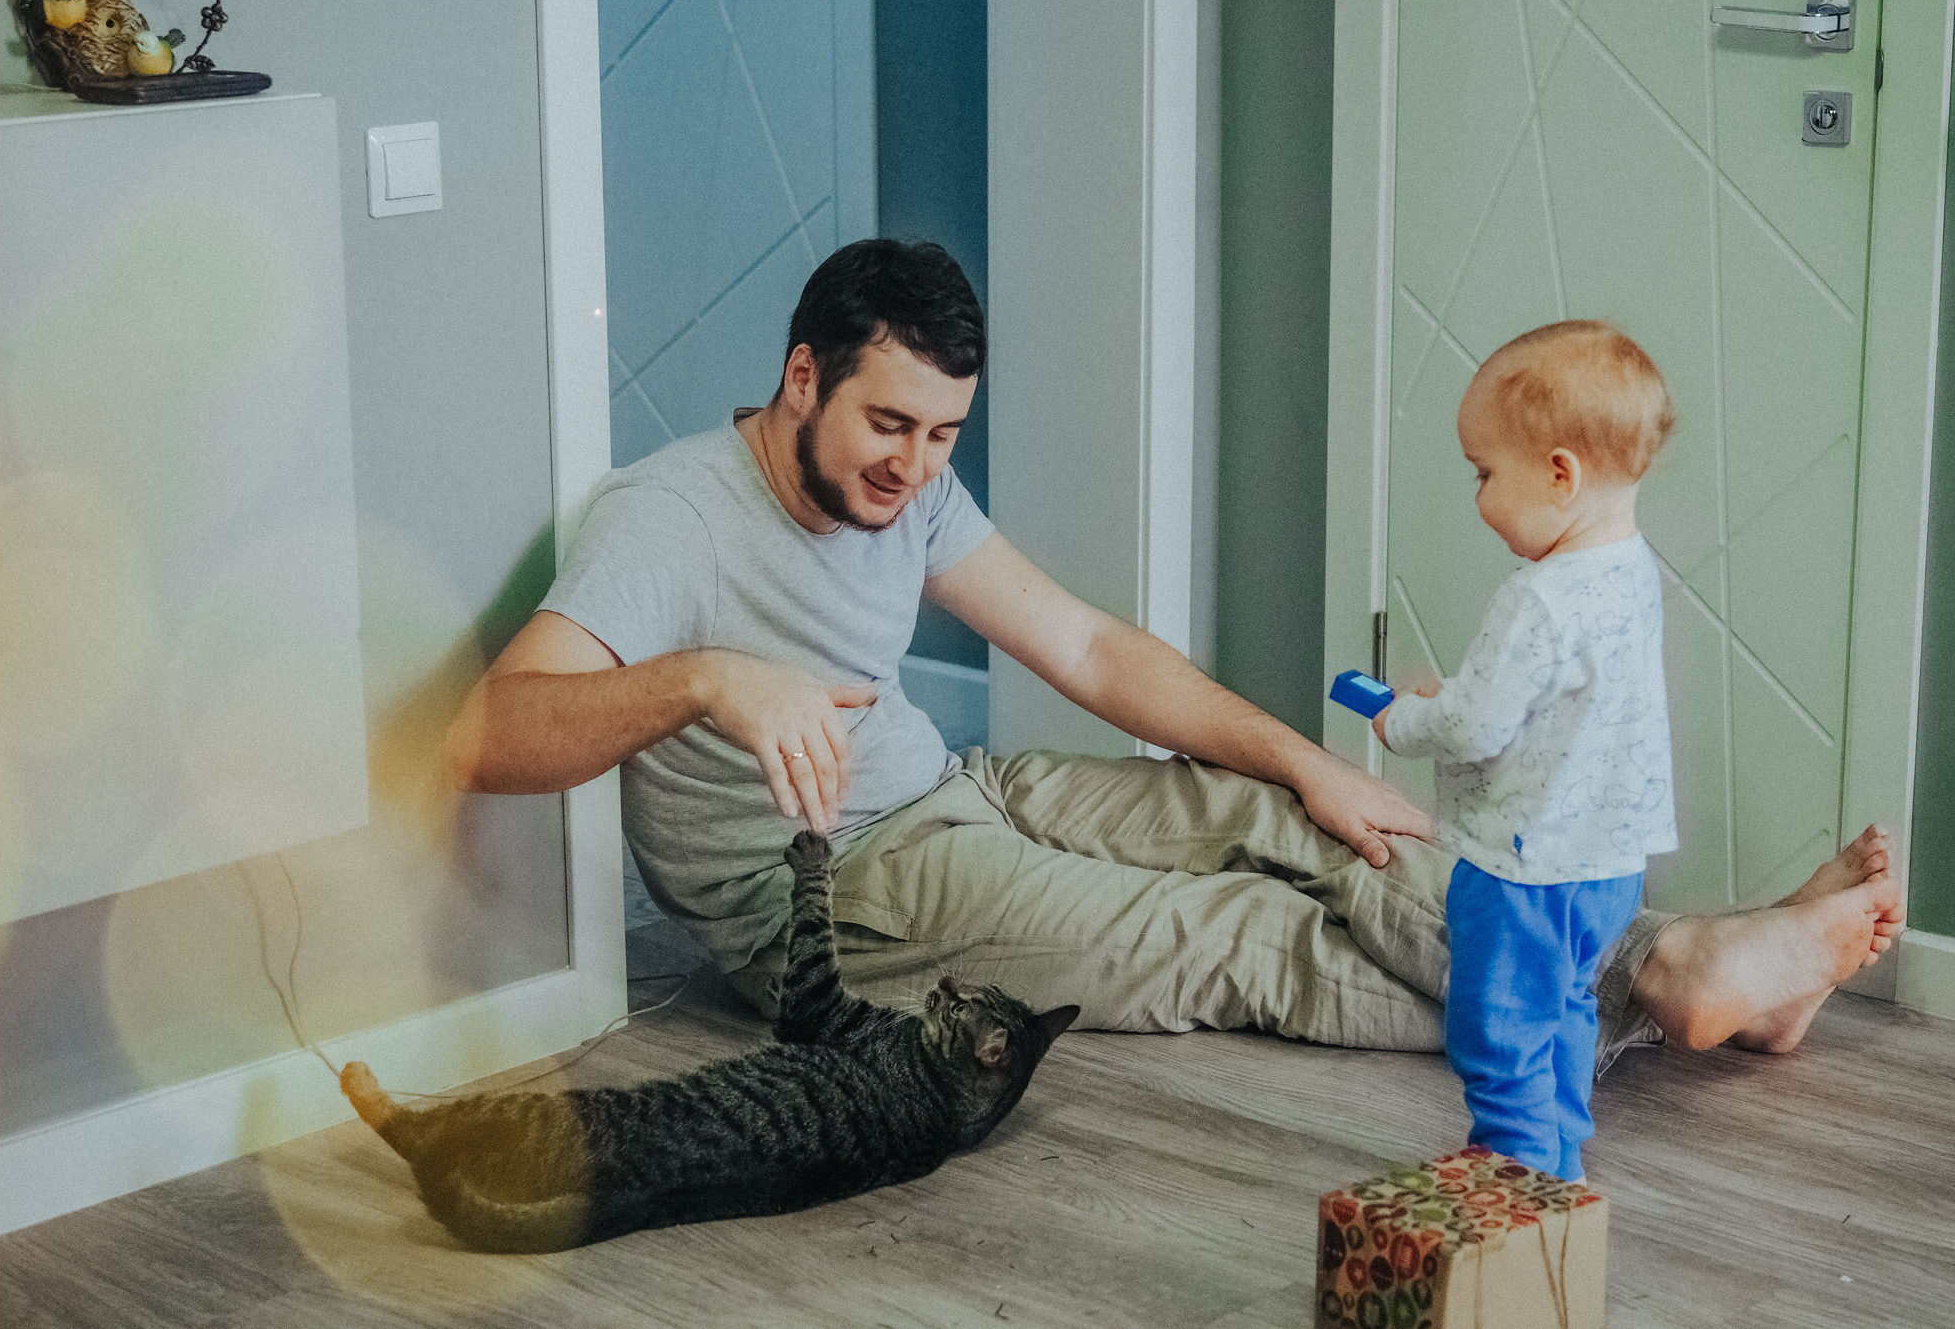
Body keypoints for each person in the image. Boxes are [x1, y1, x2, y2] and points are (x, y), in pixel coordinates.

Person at [447, 239, 1904, 1076]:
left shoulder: (912, 480)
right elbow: (493, 732)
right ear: (800, 377)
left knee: (1300, 825)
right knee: (1239, 935)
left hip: (960, 785)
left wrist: (1302, 760)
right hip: (829, 893)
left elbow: (1078, 641)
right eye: (888, 427)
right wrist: (705, 679)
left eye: (944, 433)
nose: (914, 467)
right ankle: (1675, 975)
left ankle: (1709, 981)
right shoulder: (670, 519)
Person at [1372, 321, 1674, 1181]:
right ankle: (1562, 1157)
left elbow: (1475, 726)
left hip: (1524, 867)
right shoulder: (1631, 570)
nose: (1477, 495)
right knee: (1566, 1007)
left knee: (1496, 1028)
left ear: (1559, 473)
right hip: (1609, 868)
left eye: (1483, 472)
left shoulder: (1538, 597)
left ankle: (1520, 1180)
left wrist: (1404, 720)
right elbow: (1548, 707)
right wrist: (1459, 700)